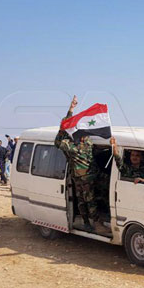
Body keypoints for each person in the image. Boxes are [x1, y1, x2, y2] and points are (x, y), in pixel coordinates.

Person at [55, 95, 97, 232]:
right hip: (82, 178)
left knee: (85, 201)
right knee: (86, 201)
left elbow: (58, 142)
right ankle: (92, 223)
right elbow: (59, 142)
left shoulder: (76, 145)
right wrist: (71, 110)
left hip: (83, 178)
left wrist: (71, 110)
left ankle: (90, 223)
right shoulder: (81, 144)